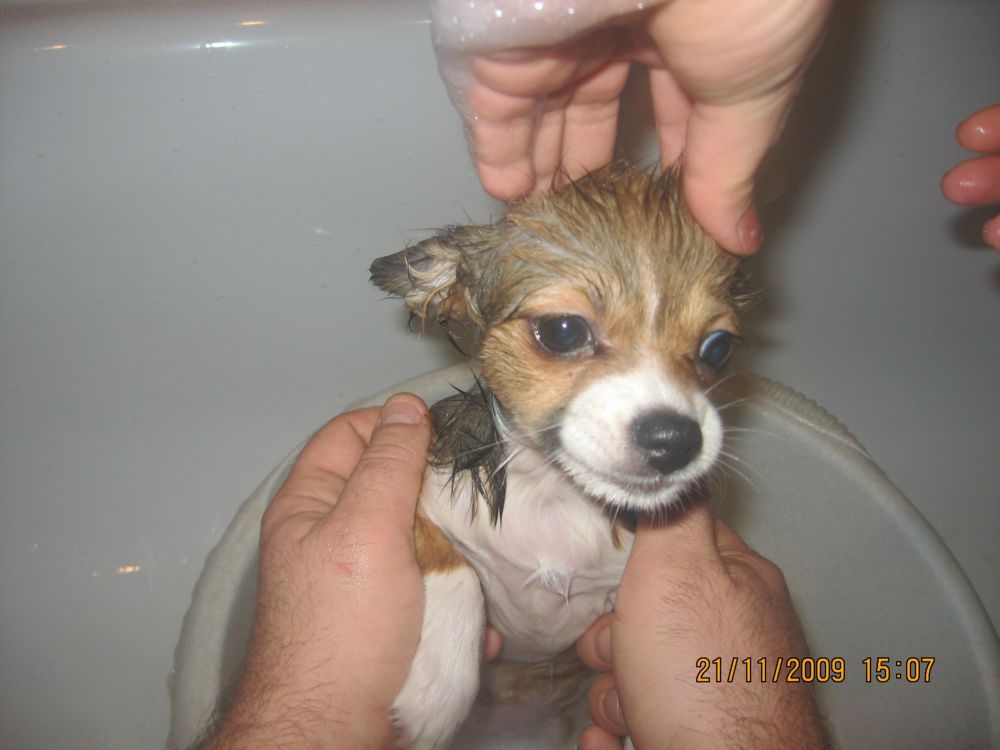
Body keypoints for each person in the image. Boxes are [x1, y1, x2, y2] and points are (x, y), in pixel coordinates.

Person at [204, 1, 999, 745]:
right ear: (447, 294)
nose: (672, 411)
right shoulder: (433, 490)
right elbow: (403, 528)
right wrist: (444, 591)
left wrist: (736, 691)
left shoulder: (664, 541)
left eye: (708, 351)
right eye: (564, 332)